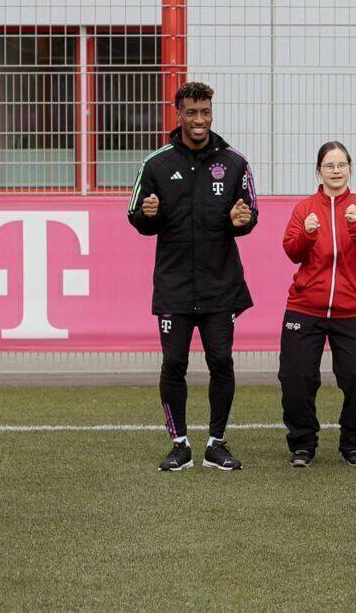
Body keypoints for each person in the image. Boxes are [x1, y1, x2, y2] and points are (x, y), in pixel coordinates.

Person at [127, 81, 258, 472]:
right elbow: (136, 217)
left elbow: (249, 213)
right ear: (178, 114)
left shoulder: (234, 162)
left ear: (211, 114)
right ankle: (179, 443)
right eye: (191, 113)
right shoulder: (157, 164)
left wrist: (243, 221)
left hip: (221, 287)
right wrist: (148, 215)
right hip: (175, 287)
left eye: (205, 113)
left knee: (222, 362)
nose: (198, 120)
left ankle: (216, 443)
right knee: (174, 364)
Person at [278, 141, 356, 469]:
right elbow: (292, 251)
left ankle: (353, 444)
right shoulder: (305, 209)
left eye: (341, 165)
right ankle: (303, 444)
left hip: (352, 311)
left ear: (351, 168)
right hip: (305, 308)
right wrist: (308, 234)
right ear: (318, 171)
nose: (335, 171)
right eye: (329, 165)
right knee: (296, 378)